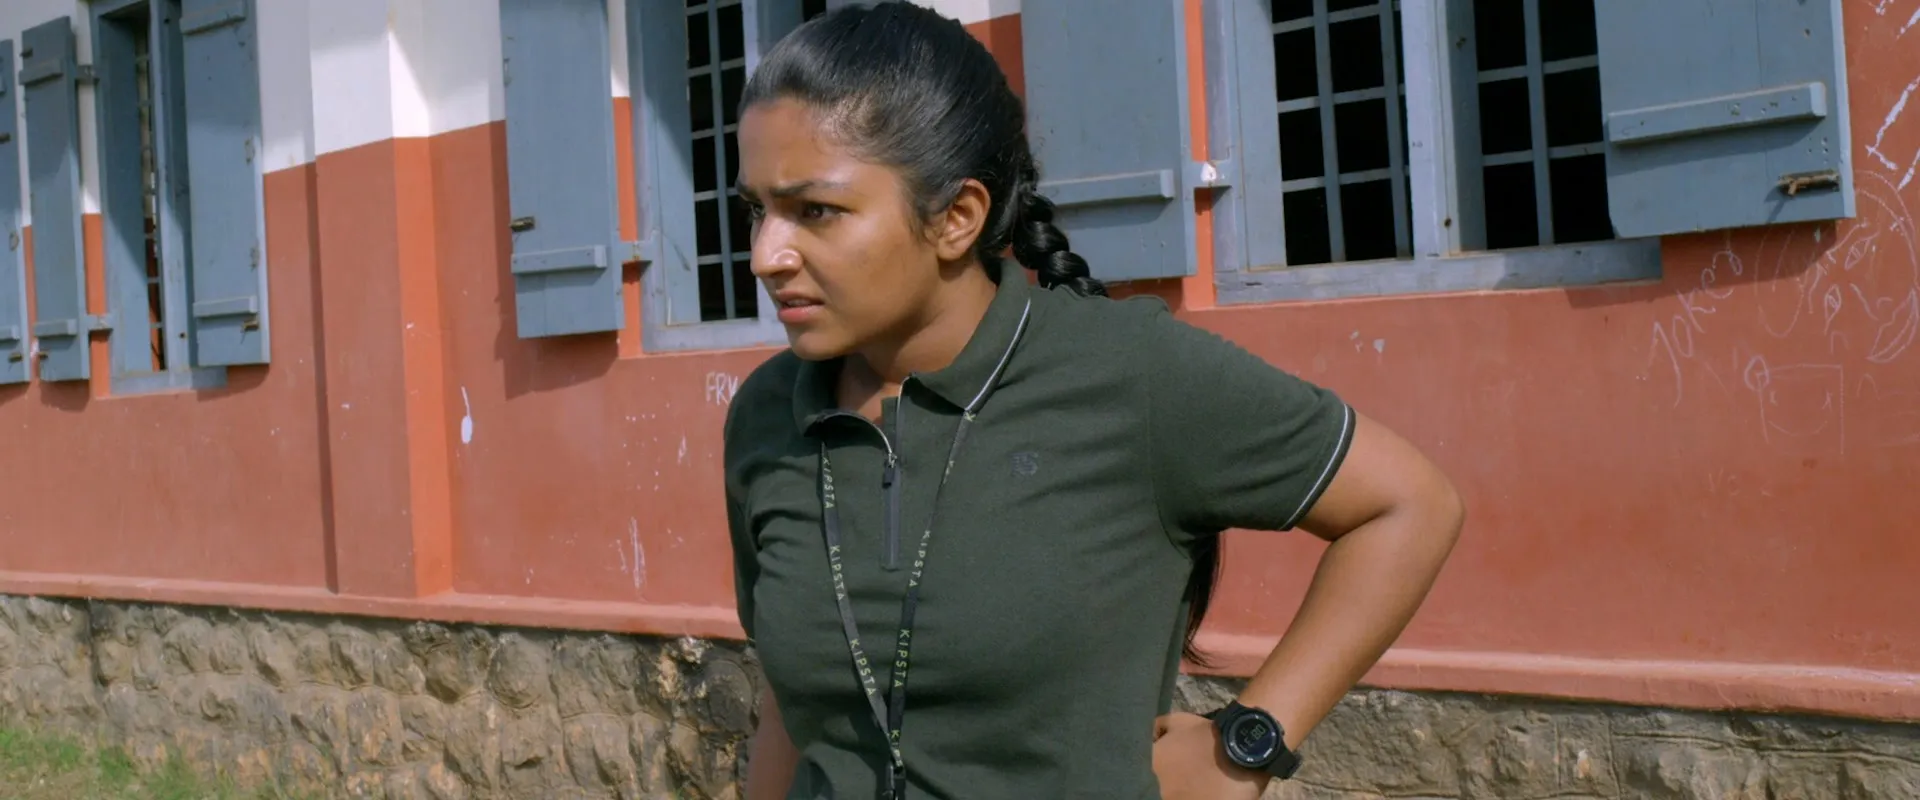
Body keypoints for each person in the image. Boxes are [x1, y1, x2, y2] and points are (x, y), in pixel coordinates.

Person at [720, 3, 1464, 798]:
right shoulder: (769, 415)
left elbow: (1409, 506)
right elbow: (791, 707)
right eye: (757, 210)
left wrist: (1249, 743)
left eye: (816, 211)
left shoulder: (1128, 374)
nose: (766, 254)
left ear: (957, 218)